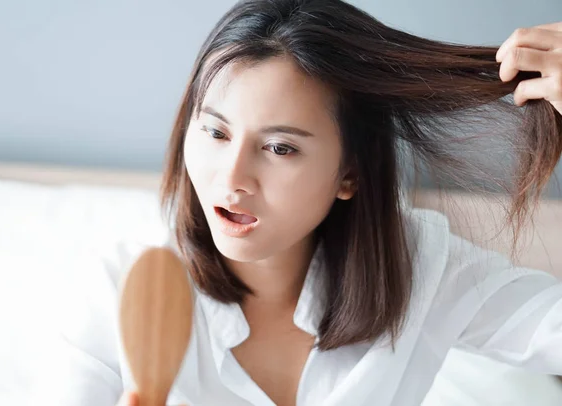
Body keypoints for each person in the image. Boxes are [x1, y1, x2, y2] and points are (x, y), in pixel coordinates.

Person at [52, 0, 562, 405]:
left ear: (350, 174)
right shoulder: (123, 288)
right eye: (214, 131)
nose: (232, 178)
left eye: (280, 148)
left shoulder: (420, 266)